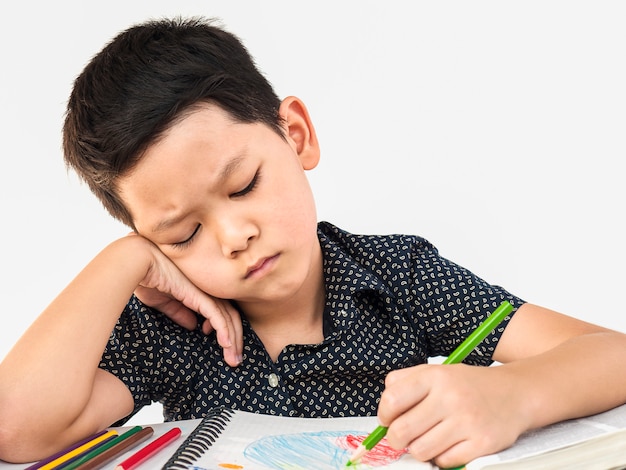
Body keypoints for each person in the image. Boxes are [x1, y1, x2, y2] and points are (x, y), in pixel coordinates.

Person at [1, 16, 625, 467]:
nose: (235, 236)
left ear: (295, 135)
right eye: (184, 234)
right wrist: (123, 260)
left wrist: (513, 395)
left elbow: (613, 356)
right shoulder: (170, 331)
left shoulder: (396, 274)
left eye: (244, 185)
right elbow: (14, 430)